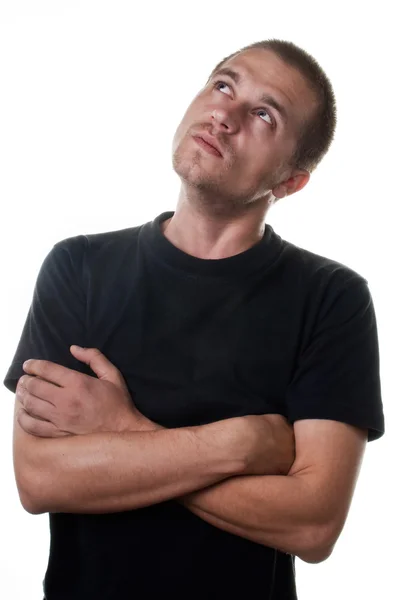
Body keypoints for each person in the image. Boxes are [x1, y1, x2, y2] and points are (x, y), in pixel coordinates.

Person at [4, 38, 384, 600]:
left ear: (291, 181)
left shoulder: (332, 298)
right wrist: (244, 444)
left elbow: (313, 524)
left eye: (262, 114)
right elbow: (39, 480)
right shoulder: (78, 266)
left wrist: (122, 430)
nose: (223, 115)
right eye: (223, 85)